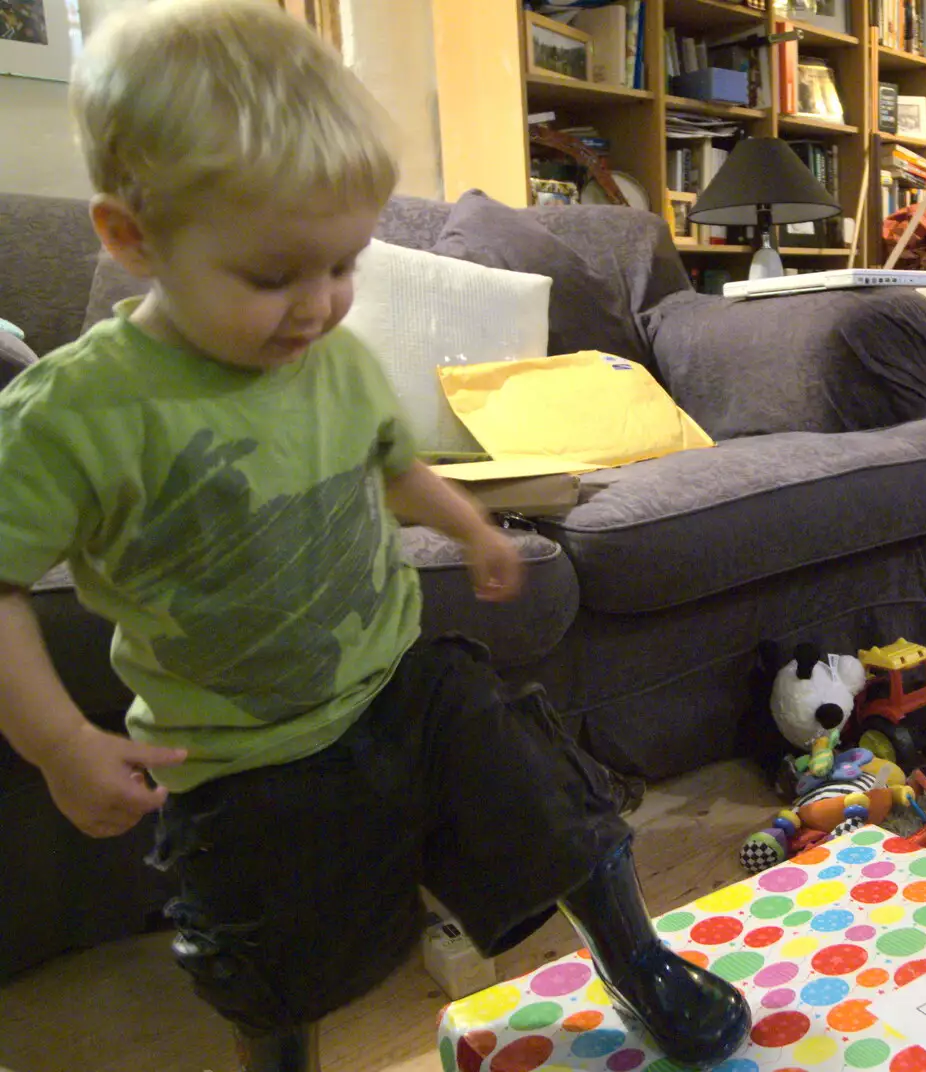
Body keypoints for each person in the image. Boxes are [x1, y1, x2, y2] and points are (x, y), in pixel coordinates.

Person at [0, 3, 750, 1070]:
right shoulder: (78, 409)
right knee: (274, 953)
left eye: (344, 265)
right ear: (131, 238)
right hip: (234, 754)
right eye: (274, 276)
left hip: (397, 684)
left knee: (545, 788)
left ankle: (636, 960)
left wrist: (472, 527)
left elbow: (391, 459)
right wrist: (58, 741)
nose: (319, 307)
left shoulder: (334, 357)